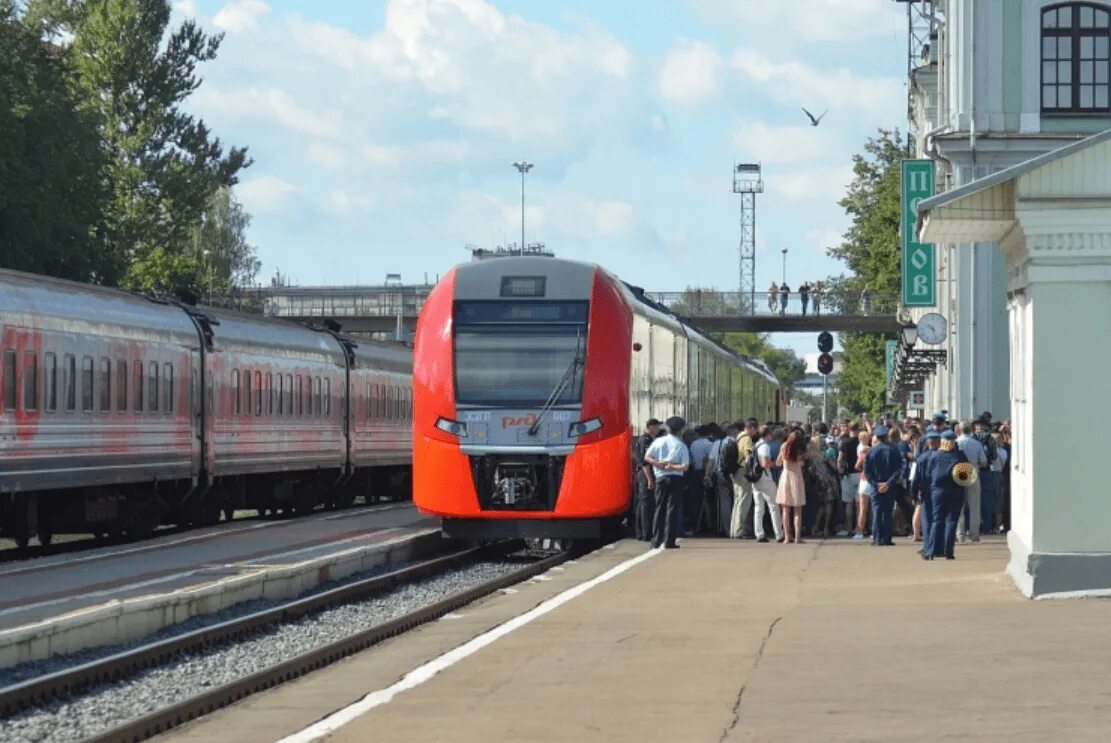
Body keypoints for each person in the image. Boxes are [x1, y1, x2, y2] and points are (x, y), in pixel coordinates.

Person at [922, 430, 970, 560]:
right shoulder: (960, 456)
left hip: (938, 491)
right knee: (952, 521)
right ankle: (948, 552)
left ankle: (930, 551)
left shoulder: (935, 456)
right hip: (956, 491)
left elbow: (928, 473)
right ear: (954, 442)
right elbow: (966, 476)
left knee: (936, 520)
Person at [644, 416, 690, 549]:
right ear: (680, 430)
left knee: (659, 508)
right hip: (676, 478)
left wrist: (657, 463)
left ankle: (656, 540)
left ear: (668, 428)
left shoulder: (658, 441)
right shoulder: (681, 445)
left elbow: (646, 457)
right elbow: (685, 466)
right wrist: (672, 467)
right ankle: (669, 541)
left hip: (660, 478)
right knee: (672, 509)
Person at [864, 425, 905, 546]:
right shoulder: (894, 450)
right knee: (887, 511)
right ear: (887, 436)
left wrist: (876, 484)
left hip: (876, 485)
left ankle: (877, 538)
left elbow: (867, 471)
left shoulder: (871, 451)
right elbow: (898, 469)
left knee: (876, 511)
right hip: (890, 485)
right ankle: (887, 538)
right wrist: (888, 483)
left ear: (876, 437)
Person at [955, 421, 986, 543]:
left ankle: (960, 534)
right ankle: (974, 534)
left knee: (959, 505)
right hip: (973, 473)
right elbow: (984, 461)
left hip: (959, 473)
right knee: (975, 505)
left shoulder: (956, 442)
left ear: (960, 430)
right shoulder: (977, 444)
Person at [752, 426, 784, 543]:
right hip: (765, 478)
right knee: (773, 507)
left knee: (758, 508)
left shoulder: (756, 445)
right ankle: (779, 534)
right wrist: (776, 463)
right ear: (767, 434)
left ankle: (759, 533)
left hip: (755, 479)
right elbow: (765, 464)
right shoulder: (765, 446)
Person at [776, 428, 808, 543]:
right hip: (797, 478)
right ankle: (797, 537)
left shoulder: (784, 446)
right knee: (797, 510)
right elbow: (803, 463)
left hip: (785, 478)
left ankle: (786, 537)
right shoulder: (803, 449)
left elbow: (778, 462)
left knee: (785, 510)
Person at [729, 419, 759, 539]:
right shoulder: (747, 439)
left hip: (736, 471)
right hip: (743, 471)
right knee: (744, 501)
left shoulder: (738, 437)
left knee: (737, 501)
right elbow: (747, 456)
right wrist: (750, 470)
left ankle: (733, 530)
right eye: (755, 430)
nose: (755, 433)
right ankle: (739, 531)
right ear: (751, 428)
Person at [912, 431, 941, 548]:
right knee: (939, 519)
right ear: (939, 442)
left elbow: (916, 479)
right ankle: (939, 546)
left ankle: (928, 546)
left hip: (927, 492)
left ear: (928, 443)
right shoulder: (944, 456)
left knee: (927, 520)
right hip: (940, 491)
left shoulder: (921, 458)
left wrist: (914, 493)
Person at [633, 418, 661, 541]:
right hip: (645, 473)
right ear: (650, 427)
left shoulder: (647, 439)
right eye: (657, 426)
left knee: (642, 504)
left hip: (644, 473)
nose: (658, 429)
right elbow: (645, 461)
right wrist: (650, 479)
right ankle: (646, 533)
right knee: (646, 504)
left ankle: (642, 532)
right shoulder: (646, 440)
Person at [837, 423, 860, 537]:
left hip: (848, 475)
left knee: (849, 503)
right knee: (860, 503)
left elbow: (840, 459)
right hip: (860, 474)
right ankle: (860, 528)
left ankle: (849, 528)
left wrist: (839, 470)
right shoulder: (862, 441)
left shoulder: (844, 443)